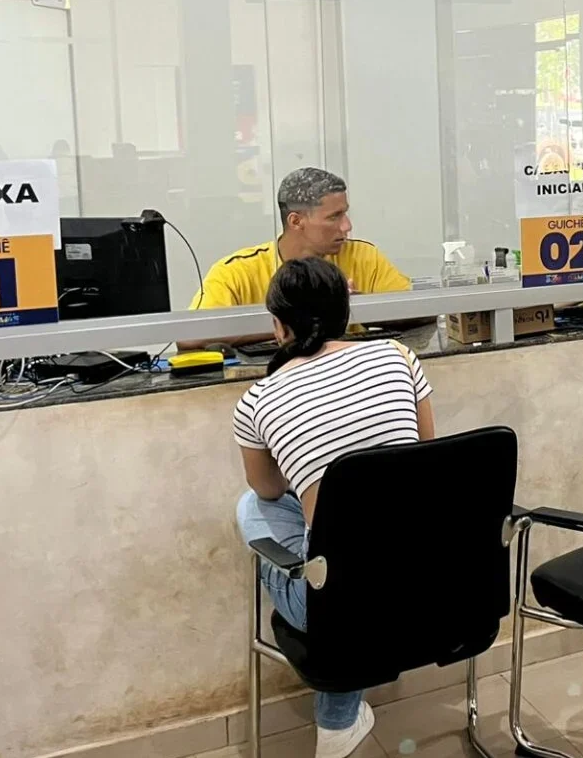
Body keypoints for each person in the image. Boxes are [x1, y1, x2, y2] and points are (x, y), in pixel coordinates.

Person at [233, 257, 436, 758]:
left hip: (338, 607)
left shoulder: (257, 399)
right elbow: (429, 459)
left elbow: (266, 490)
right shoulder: (399, 356)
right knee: (363, 536)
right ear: (347, 312)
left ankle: (338, 724)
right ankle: (338, 722)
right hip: (433, 583)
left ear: (278, 326)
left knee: (252, 509)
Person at [187, 168, 410, 347]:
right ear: (296, 221)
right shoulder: (235, 272)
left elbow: (420, 310)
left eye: (345, 213)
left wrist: (359, 307)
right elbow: (190, 337)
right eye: (334, 217)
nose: (347, 226)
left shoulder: (363, 257)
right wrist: (304, 322)